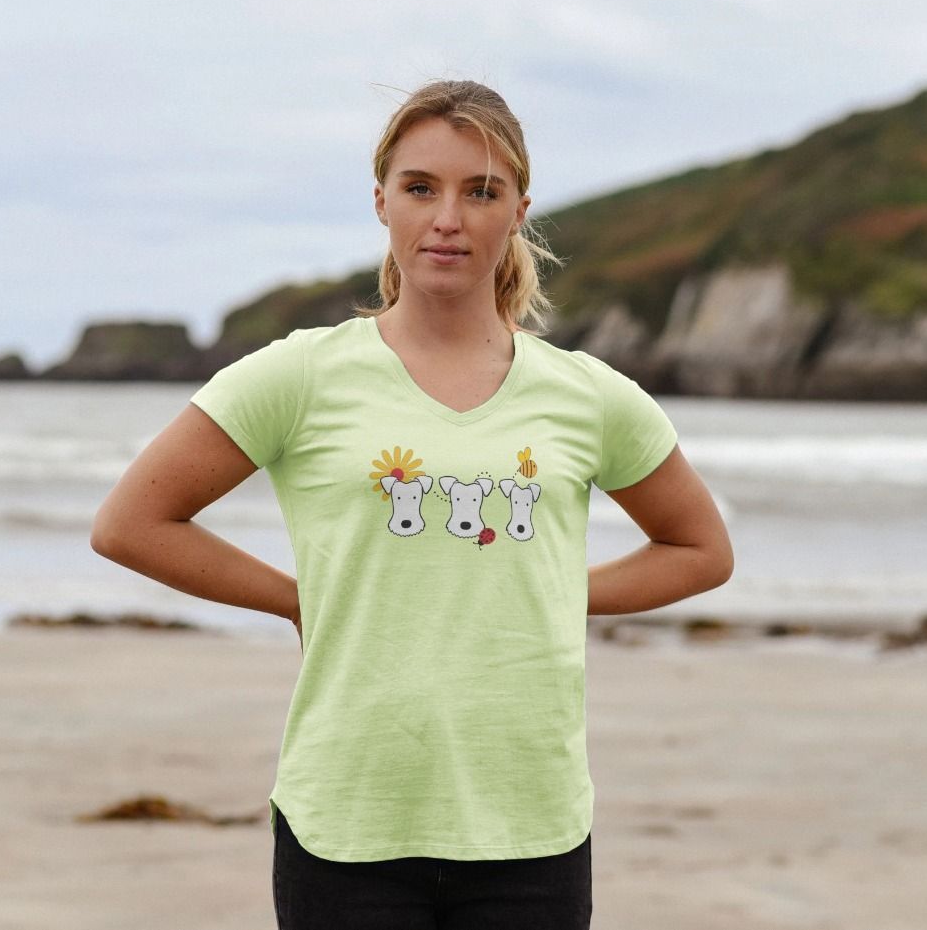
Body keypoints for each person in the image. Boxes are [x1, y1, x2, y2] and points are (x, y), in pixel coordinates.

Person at [91, 79, 733, 929]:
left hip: (529, 823)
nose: (448, 218)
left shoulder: (588, 394)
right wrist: (295, 598)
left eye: (482, 192)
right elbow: (131, 523)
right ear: (382, 202)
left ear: (519, 211)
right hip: (346, 820)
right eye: (421, 187)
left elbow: (700, 549)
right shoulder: (301, 375)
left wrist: (558, 591)